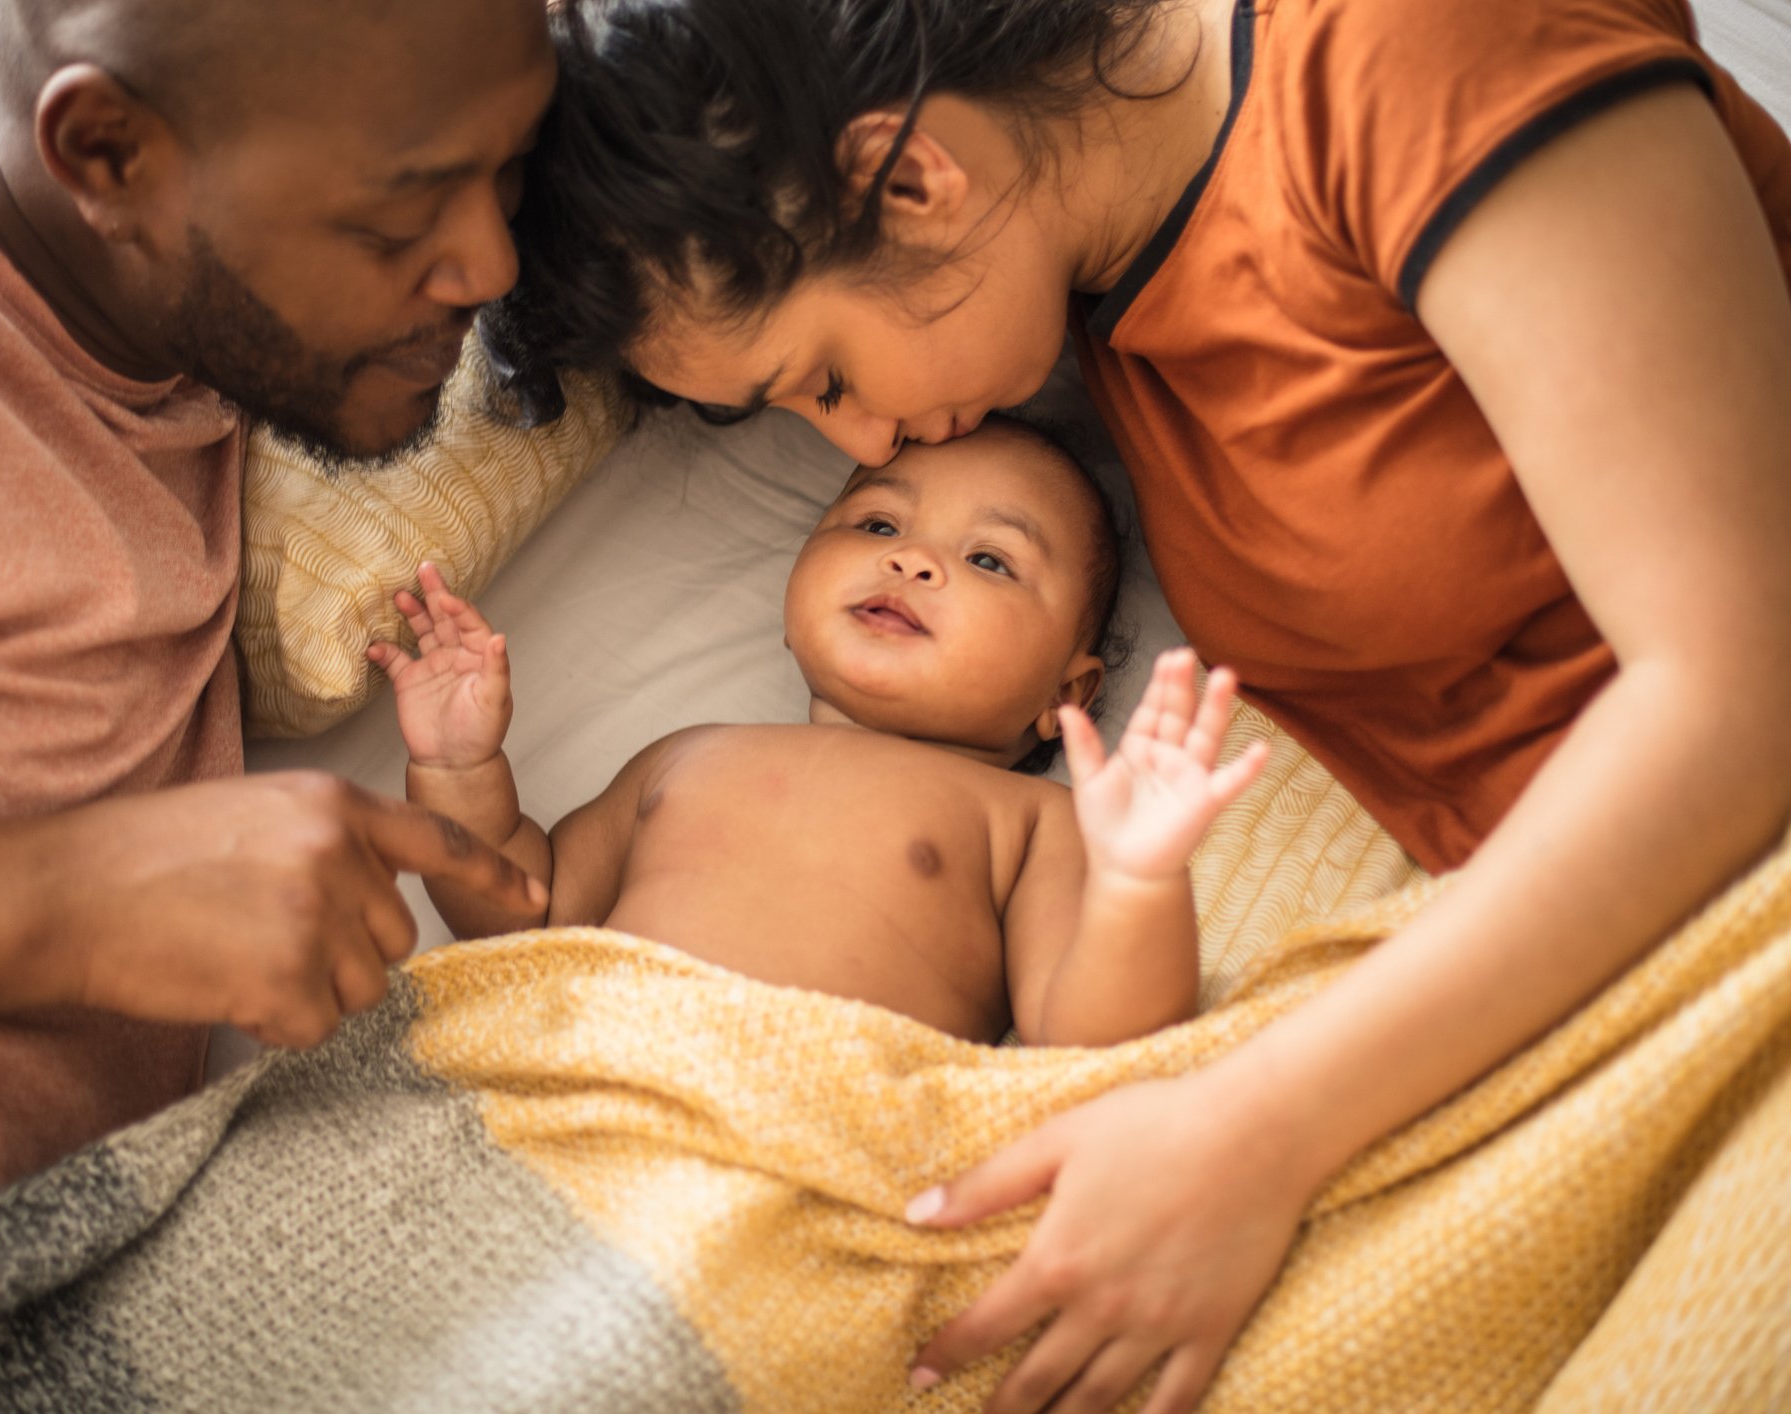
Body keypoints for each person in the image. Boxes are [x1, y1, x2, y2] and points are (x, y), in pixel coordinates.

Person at [481, 0, 1791, 1408]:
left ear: (914, 177)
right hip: (1573, 953)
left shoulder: (1416, 52)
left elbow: (1738, 692)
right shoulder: (1093, 282)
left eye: (826, 377)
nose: (854, 444)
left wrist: (1253, 1129)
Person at [0, 0, 554, 1230]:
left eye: (507, 170)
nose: (490, 267)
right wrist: (63, 906)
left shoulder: (183, 288)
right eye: (397, 219)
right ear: (102, 153)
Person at [375, 419, 1267, 1045]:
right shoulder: (688, 755)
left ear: (1065, 693)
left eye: (988, 559)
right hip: (575, 1066)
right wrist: (459, 767)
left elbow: (1085, 1039)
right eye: (877, 522)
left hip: (795, 1129)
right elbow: (527, 913)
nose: (910, 559)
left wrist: (1138, 883)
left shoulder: (1031, 820)